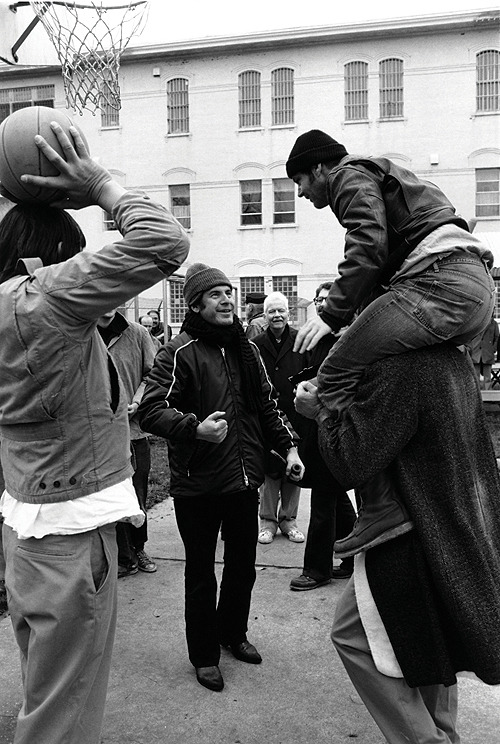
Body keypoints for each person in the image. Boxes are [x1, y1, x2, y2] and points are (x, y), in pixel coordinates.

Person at [0, 120, 189, 744]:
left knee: (47, 695)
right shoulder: (45, 301)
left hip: (28, 529)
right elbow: (164, 241)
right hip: (71, 536)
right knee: (63, 721)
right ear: (51, 262)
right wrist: (100, 185)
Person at [286, 128, 495, 557]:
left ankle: (380, 503)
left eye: (301, 181)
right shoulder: (384, 177)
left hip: (440, 285)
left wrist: (330, 315)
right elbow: (387, 261)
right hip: (471, 289)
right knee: (377, 365)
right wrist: (357, 325)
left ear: (320, 168)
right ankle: (392, 492)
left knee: (337, 370)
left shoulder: (348, 175)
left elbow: (368, 245)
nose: (302, 193)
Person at [295, 343, 500, 744]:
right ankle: (443, 734)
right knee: (431, 643)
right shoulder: (451, 356)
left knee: (352, 637)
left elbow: (351, 462)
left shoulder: (398, 368)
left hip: (406, 527)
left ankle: (427, 740)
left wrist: (320, 411)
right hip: (452, 520)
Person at [138, 263, 303, 693]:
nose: (227, 299)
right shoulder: (178, 351)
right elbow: (152, 409)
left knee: (242, 567)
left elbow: (267, 405)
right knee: (200, 572)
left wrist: (290, 448)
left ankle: (234, 634)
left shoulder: (247, 349)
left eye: (229, 292)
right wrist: (195, 427)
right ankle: (205, 655)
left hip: (244, 481)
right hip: (198, 485)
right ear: (195, 303)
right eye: (215, 294)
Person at [289, 282, 356, 590]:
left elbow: (341, 377)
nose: (321, 305)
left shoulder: (351, 337)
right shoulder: (319, 337)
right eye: (318, 300)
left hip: (336, 423)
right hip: (315, 423)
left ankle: (317, 569)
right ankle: (354, 555)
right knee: (333, 495)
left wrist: (312, 386)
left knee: (323, 498)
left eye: (328, 300)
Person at [97, 310, 158, 577]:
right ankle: (123, 557)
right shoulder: (81, 332)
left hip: (134, 432)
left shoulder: (138, 333)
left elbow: (154, 374)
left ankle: (139, 547)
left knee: (137, 493)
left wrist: (136, 401)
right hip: (98, 434)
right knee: (109, 497)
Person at [253, 292, 306, 544]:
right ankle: (267, 522)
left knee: (294, 467)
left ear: (288, 313)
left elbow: (312, 369)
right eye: (272, 311)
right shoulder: (255, 343)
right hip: (268, 413)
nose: (277, 315)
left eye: (281, 311)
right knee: (270, 469)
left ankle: (289, 520)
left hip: (296, 413)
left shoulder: (300, 340)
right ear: (265, 316)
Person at [468, 312, 499, 390]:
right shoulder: (475, 322)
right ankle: (477, 396)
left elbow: (497, 338)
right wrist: (471, 347)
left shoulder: (494, 323)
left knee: (487, 377)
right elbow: (469, 337)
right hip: (476, 351)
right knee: (475, 377)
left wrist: (493, 348)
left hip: (488, 352)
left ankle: (488, 394)